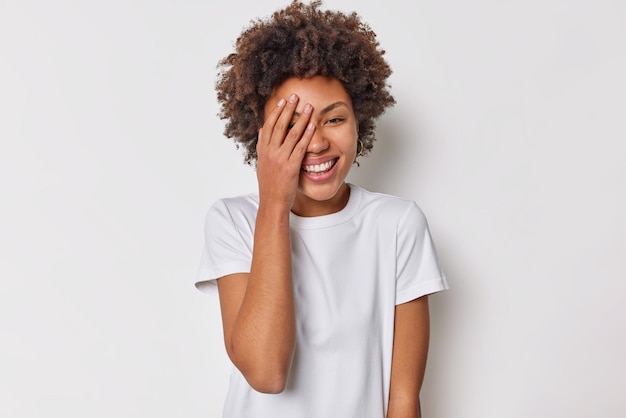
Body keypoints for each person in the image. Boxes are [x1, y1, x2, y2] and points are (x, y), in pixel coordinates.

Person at [195, 1, 449, 417]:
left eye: (334, 120)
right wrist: (274, 203)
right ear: (261, 136)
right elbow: (266, 373)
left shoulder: (397, 224)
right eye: (292, 124)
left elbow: (403, 401)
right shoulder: (234, 221)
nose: (315, 144)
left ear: (359, 124)